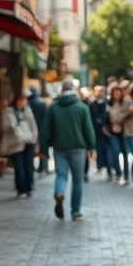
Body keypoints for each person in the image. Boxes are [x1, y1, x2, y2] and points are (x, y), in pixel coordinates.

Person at [38, 78, 96, 221]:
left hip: (59, 148)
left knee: (61, 175)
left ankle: (59, 192)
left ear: (62, 91)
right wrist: (91, 147)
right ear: (74, 91)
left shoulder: (53, 107)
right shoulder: (82, 107)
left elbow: (45, 130)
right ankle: (75, 212)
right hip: (78, 149)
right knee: (77, 180)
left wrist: (44, 149)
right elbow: (88, 129)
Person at [2, 89, 38, 198]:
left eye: (26, 99)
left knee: (29, 165)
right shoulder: (9, 111)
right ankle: (21, 189)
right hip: (16, 143)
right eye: (22, 99)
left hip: (28, 141)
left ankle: (29, 187)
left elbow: (33, 125)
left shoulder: (27, 110)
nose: (24, 101)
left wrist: (34, 139)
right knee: (19, 166)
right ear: (17, 100)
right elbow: (8, 127)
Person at [89, 85, 115, 181]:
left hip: (107, 132)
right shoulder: (92, 104)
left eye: (101, 91)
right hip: (96, 131)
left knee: (108, 150)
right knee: (98, 150)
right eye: (97, 91)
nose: (99, 93)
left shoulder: (107, 104)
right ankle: (100, 165)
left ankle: (109, 169)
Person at [106, 83, 129, 184]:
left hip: (124, 131)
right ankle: (118, 173)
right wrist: (125, 114)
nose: (117, 95)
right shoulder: (109, 105)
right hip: (113, 132)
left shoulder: (125, 103)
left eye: (118, 93)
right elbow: (113, 119)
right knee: (115, 152)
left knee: (125, 154)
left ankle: (126, 175)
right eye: (115, 93)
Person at [27, 85, 50, 176]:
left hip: (30, 130)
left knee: (30, 150)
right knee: (42, 149)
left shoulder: (28, 104)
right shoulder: (43, 103)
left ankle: (31, 168)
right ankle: (43, 168)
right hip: (42, 129)